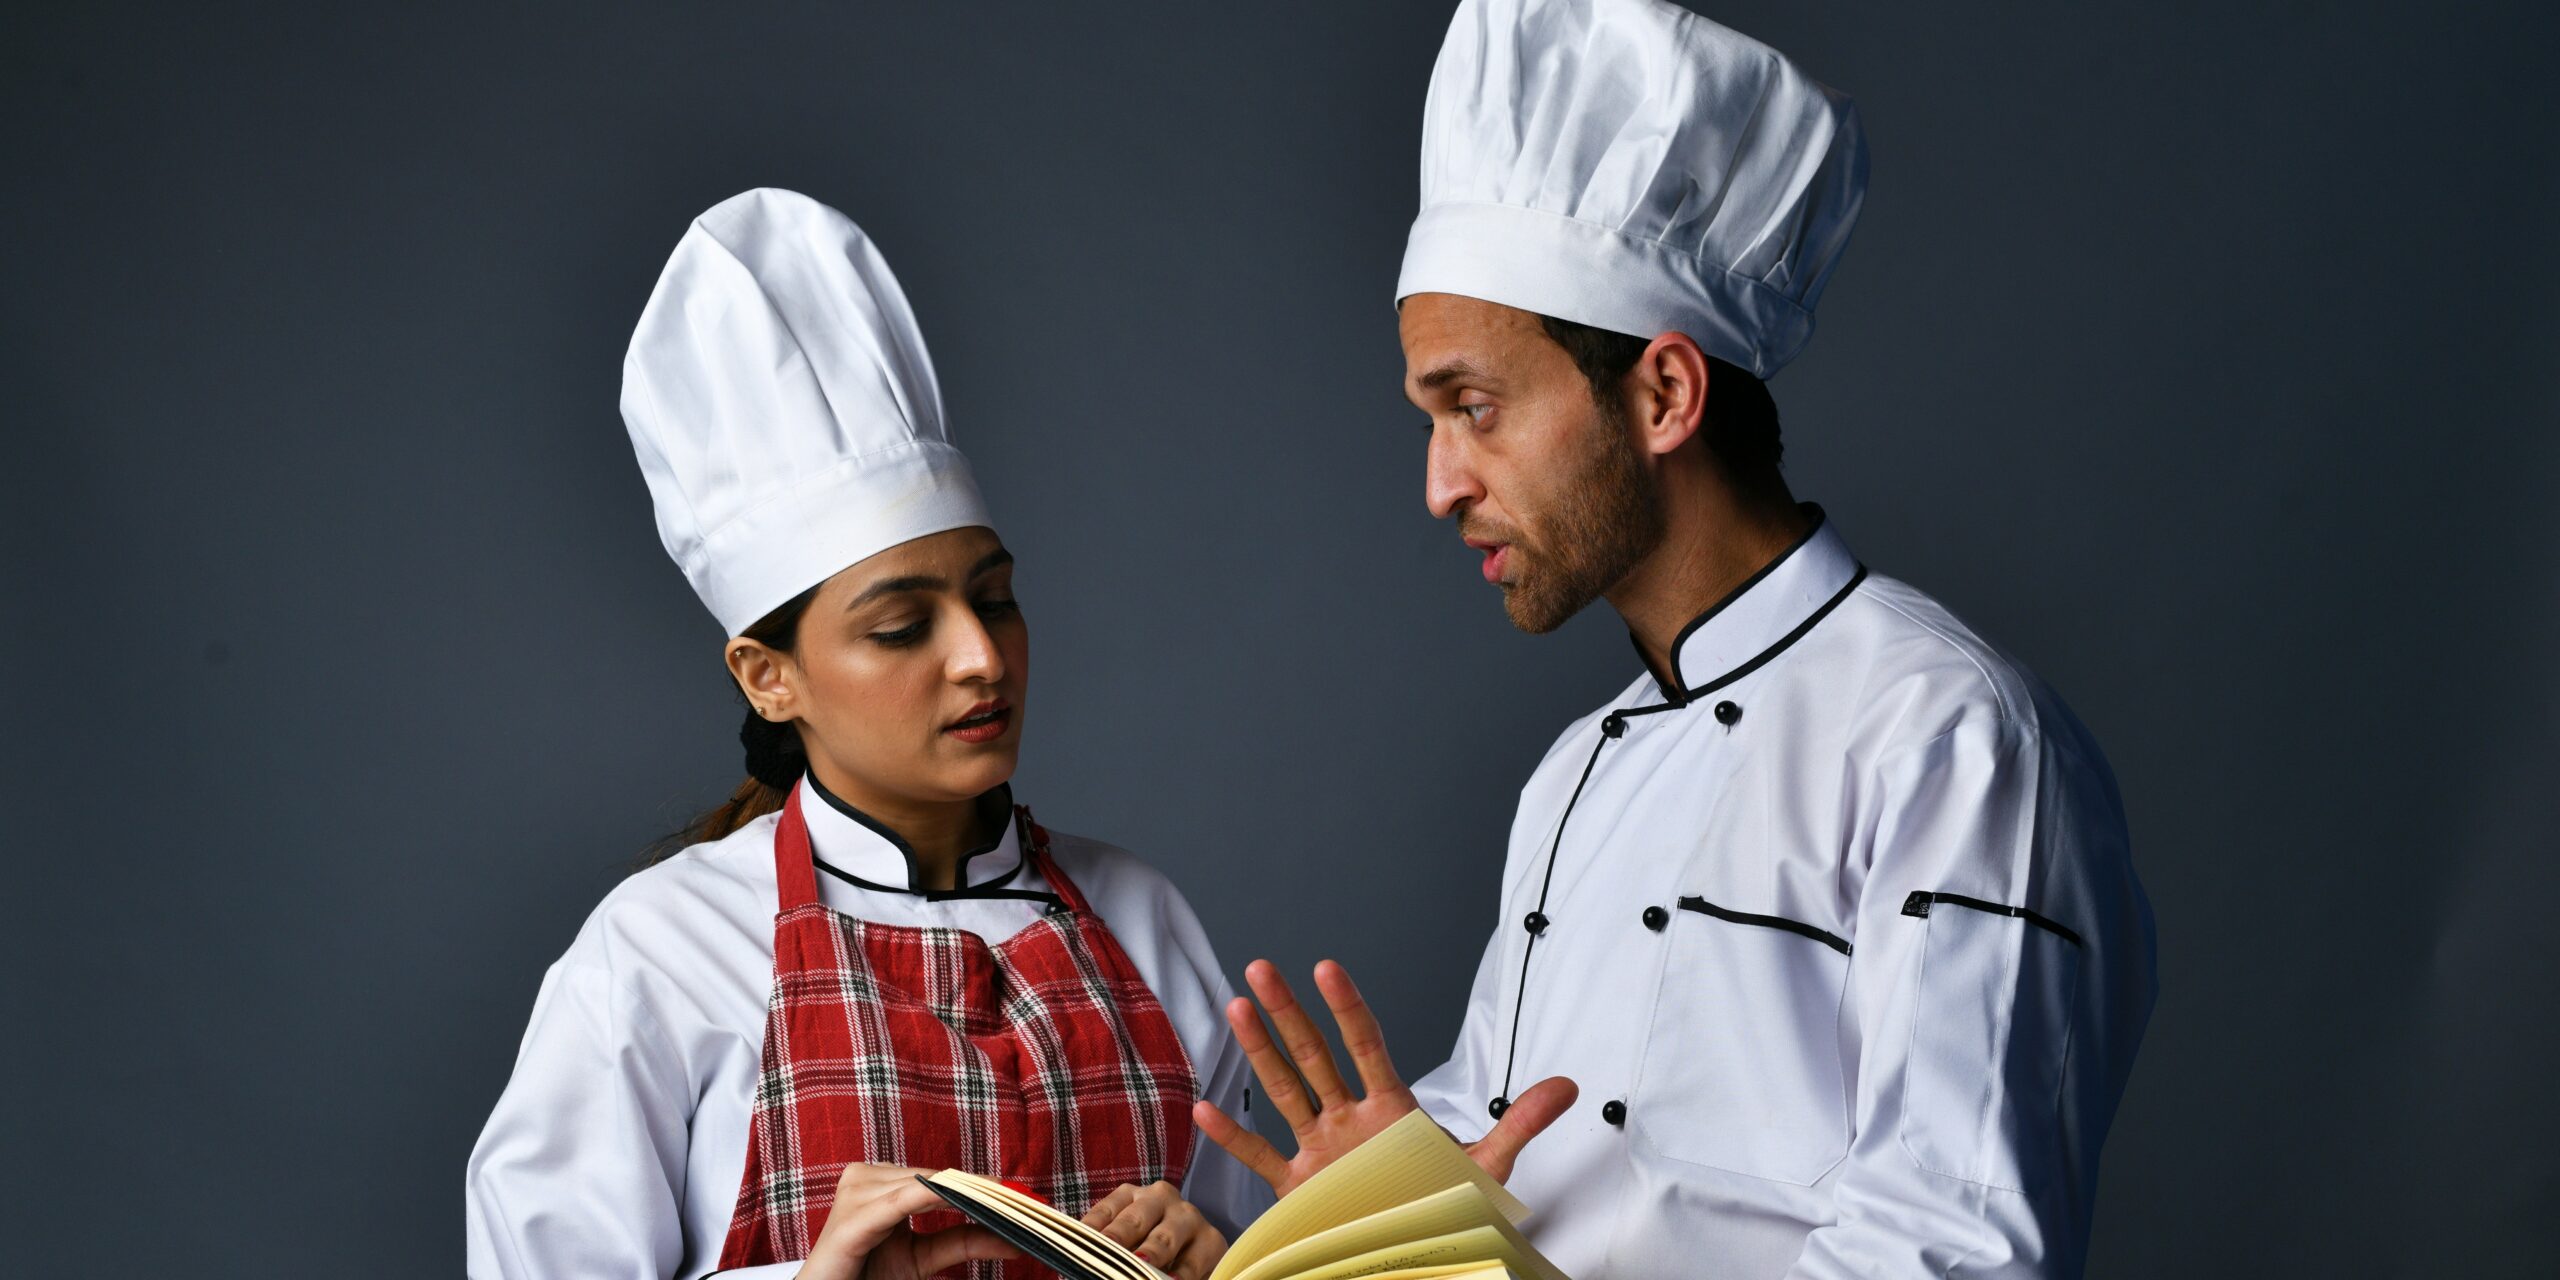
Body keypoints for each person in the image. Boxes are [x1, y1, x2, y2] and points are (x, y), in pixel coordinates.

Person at [1191, 2, 2157, 1277]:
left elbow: (1959, 1248)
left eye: (1474, 407)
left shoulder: (1953, 736)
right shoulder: (1574, 772)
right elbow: (1511, 1164)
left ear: (1663, 394)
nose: (1440, 483)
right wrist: (1371, 1211)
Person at [467, 188, 1269, 1280]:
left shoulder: (1143, 919)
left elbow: (1253, 1245)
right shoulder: (661, 954)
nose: (980, 656)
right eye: (900, 628)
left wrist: (1218, 1261)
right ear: (769, 678)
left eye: (994, 599)